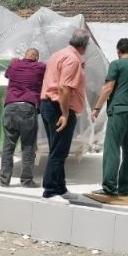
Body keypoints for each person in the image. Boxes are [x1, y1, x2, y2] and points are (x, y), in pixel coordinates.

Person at [91, 38, 128, 196]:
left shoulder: (116, 65)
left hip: (119, 112)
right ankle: (126, 188)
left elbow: (108, 88)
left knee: (112, 148)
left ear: (118, 51)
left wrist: (97, 108)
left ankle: (109, 187)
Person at [40, 29, 90, 203]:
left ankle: (60, 188)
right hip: (59, 108)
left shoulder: (57, 55)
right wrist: (65, 114)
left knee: (57, 149)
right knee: (59, 152)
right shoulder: (73, 59)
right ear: (84, 46)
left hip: (49, 105)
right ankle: (51, 190)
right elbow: (64, 88)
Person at [0, 48, 46, 188]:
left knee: (8, 146)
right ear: (36, 57)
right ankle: (26, 180)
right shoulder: (40, 66)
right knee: (28, 146)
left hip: (10, 106)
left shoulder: (14, 65)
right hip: (27, 107)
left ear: (25, 55)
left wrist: (14, 63)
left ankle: (4, 180)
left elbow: (7, 75)